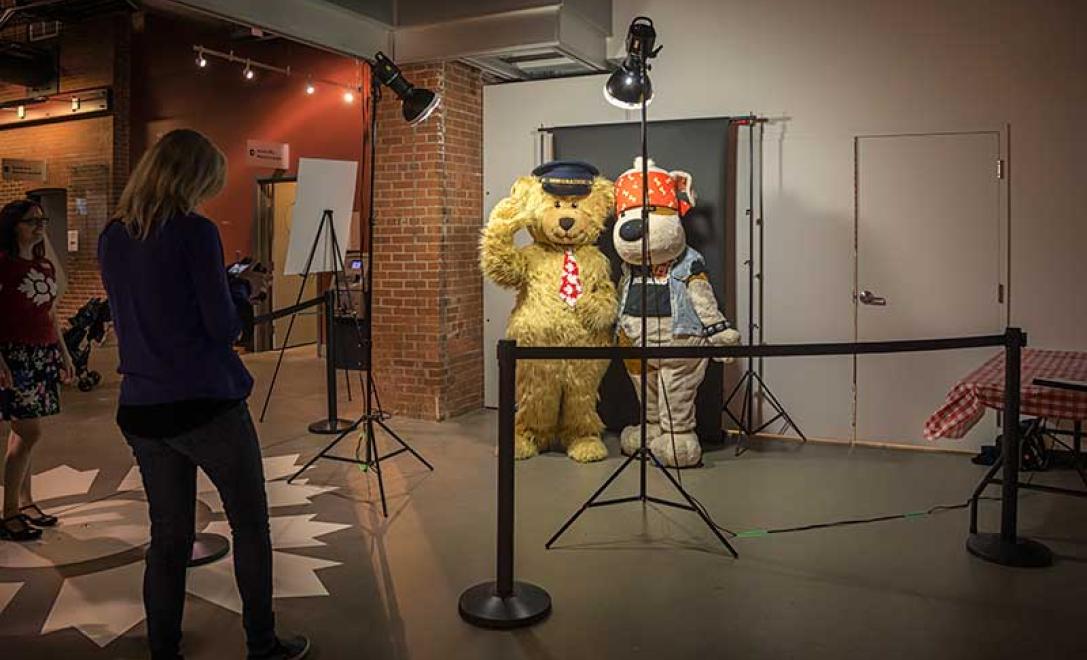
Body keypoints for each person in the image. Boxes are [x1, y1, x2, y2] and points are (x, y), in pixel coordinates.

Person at [99, 128, 309, 660]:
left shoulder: (113, 236)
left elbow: (147, 307)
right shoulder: (194, 232)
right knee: (250, 526)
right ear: (190, 177)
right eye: (208, 181)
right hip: (204, 403)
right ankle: (262, 644)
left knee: (167, 537)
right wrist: (242, 288)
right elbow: (220, 327)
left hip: (142, 406)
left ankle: (163, 648)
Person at [0, 199, 75, 542]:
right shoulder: (4, 264)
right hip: (16, 355)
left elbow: (49, 314)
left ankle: (24, 502)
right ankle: (9, 512)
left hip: (42, 352)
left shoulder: (43, 264)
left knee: (21, 431)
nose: (40, 225)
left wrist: (63, 352)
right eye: (32, 221)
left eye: (42, 220)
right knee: (29, 432)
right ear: (14, 225)